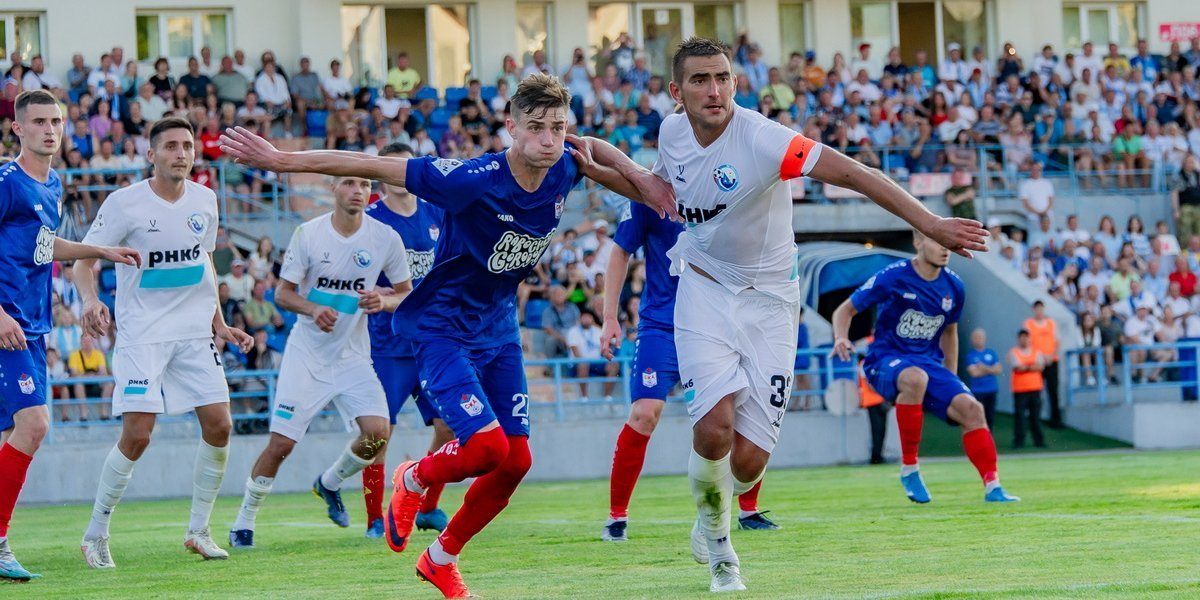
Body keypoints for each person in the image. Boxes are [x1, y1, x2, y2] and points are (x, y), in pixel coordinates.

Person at [219, 73, 675, 598]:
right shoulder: (469, 179)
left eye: (557, 127)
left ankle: (440, 559)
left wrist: (641, 178)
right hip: (442, 328)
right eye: (536, 128)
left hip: (498, 329)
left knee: (517, 461)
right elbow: (370, 165)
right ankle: (413, 476)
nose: (549, 139)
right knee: (485, 448)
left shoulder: (564, 165)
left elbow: (591, 147)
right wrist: (283, 161)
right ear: (510, 127)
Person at [627, 38, 988, 593]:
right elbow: (660, 186)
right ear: (677, 92)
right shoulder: (671, 133)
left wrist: (930, 222)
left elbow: (853, 174)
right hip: (702, 288)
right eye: (700, 80)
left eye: (722, 77)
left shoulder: (764, 139)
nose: (714, 90)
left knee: (748, 462)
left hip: (773, 302)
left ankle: (712, 510)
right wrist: (598, 161)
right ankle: (722, 551)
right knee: (713, 426)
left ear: (735, 83)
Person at [73, 117, 254, 568]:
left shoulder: (205, 199)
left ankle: (199, 530)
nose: (181, 153)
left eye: (187, 146)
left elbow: (204, 262)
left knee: (220, 425)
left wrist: (219, 323)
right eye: (171, 146)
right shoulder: (124, 203)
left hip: (194, 335)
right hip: (144, 336)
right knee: (138, 435)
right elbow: (82, 260)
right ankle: (95, 533)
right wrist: (91, 300)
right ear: (151, 154)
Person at [227, 174, 413, 549]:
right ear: (333, 188)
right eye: (349, 183)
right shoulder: (309, 234)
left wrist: (383, 300)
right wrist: (313, 309)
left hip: (353, 356)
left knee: (378, 433)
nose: (357, 191)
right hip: (307, 357)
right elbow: (283, 294)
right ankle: (243, 521)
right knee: (281, 444)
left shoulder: (385, 238)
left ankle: (329, 483)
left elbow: (405, 294)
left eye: (364, 185)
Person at [0, 89, 140, 581]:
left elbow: (43, 245)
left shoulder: (53, 183)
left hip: (33, 327)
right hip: (7, 325)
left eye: (55, 121)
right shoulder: (7, 181)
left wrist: (100, 250)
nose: (49, 130)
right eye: (38, 121)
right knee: (35, 425)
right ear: (17, 128)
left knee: (14, 435)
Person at [833, 230, 1018, 507]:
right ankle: (910, 468)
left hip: (928, 365)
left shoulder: (954, 286)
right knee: (915, 378)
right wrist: (841, 337)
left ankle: (993, 486)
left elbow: (950, 333)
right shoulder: (893, 276)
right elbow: (844, 310)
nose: (945, 248)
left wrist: (951, 379)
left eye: (948, 243)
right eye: (937, 241)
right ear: (917, 242)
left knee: (972, 409)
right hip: (883, 360)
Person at [359, 142, 454, 539]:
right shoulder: (371, 220)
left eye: (406, 167)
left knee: (451, 426)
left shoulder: (436, 213)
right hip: (388, 344)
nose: (400, 175)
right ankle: (373, 517)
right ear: (381, 175)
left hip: (432, 340)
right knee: (378, 433)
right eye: (392, 168)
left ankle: (427, 506)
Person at [1023, 300, 1063, 429]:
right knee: (1035, 392)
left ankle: (1056, 420)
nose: (1039, 311)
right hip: (1037, 362)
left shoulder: (1051, 323)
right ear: (1034, 310)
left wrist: (1051, 356)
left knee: (1053, 391)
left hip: (1052, 361)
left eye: (1041, 309)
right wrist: (1041, 357)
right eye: (1037, 309)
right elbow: (1028, 343)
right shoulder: (1029, 324)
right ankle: (1034, 419)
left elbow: (1057, 341)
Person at [1008, 329, 1047, 448]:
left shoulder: (1036, 351)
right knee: (1020, 417)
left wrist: (1026, 367)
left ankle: (1039, 441)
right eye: (1022, 337)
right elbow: (1017, 367)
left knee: (1035, 416)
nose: (1024, 340)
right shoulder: (1014, 352)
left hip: (1035, 388)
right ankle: (1019, 441)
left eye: (1026, 337)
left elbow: (1040, 366)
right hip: (1020, 389)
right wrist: (1031, 366)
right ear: (1018, 339)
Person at [965, 328, 1002, 431]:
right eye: (976, 337)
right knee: (977, 416)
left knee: (990, 416)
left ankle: (989, 437)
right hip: (978, 391)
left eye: (981, 337)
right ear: (972, 339)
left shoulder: (991, 353)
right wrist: (991, 369)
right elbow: (974, 373)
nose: (979, 339)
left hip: (991, 389)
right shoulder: (970, 355)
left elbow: (998, 370)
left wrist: (983, 367)